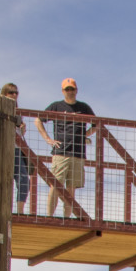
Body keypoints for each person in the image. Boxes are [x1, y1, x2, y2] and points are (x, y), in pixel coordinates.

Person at [42, 78, 95, 218]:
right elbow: (38, 120)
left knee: (71, 189)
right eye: (67, 89)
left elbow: (97, 124)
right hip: (60, 152)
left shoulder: (84, 107)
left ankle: (67, 219)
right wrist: (48, 139)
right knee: (55, 185)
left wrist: (85, 135)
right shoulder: (56, 106)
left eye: (72, 89)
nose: (70, 92)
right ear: (63, 91)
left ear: (76, 90)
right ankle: (49, 217)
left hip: (78, 153)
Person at [1, 83, 36, 216]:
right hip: (2, 148)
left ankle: (19, 211)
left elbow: (19, 133)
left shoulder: (18, 111)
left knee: (23, 179)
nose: (14, 95)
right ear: (4, 93)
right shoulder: (0, 106)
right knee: (3, 180)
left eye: (16, 92)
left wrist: (22, 129)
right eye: (11, 92)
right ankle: (3, 208)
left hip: (16, 149)